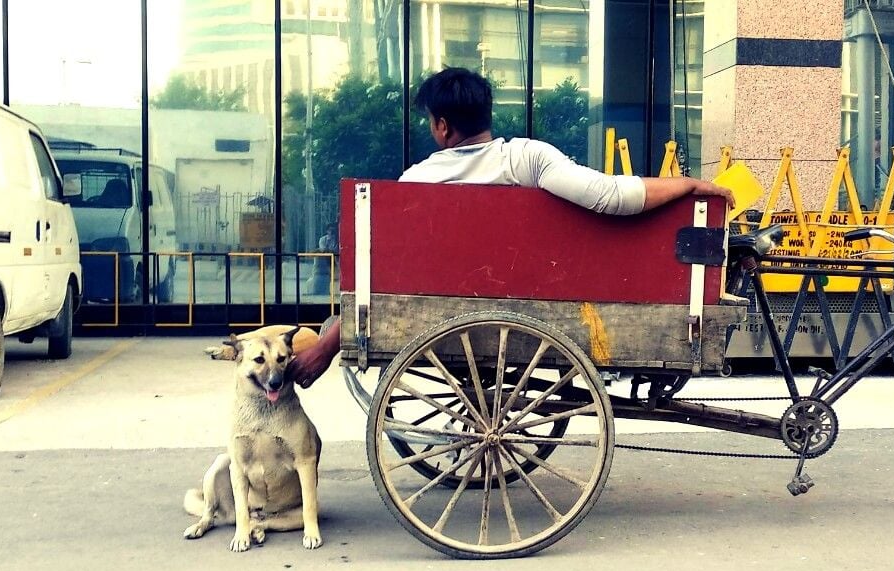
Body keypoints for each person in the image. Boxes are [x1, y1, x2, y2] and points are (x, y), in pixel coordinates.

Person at [288, 67, 734, 388]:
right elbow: (610, 197)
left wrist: (329, 344)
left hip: (441, 318)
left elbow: (380, 279)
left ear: (443, 127)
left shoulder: (414, 184)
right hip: (542, 308)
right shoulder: (526, 158)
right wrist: (689, 183)